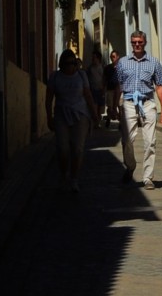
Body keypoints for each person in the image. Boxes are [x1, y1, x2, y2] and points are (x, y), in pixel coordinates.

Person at [114, 30, 162, 189]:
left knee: (150, 141)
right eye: (134, 42)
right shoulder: (123, 63)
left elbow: (159, 87)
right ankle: (130, 166)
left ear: (145, 43)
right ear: (131, 43)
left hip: (147, 103)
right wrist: (114, 106)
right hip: (129, 103)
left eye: (140, 42)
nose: (137, 45)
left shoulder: (154, 62)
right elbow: (119, 86)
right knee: (127, 140)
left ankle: (148, 178)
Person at [45, 50, 97, 191]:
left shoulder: (81, 76)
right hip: (61, 115)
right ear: (62, 64)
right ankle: (63, 174)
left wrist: (94, 115)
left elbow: (88, 95)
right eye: (68, 63)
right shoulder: (55, 77)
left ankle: (74, 178)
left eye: (73, 63)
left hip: (80, 115)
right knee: (63, 148)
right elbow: (49, 99)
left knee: (78, 149)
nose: (71, 66)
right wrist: (49, 117)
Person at [87, 49, 105, 127]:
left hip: (100, 90)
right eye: (92, 57)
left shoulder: (102, 68)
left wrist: (104, 89)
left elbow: (104, 79)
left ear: (98, 59)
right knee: (94, 106)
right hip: (93, 90)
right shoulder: (90, 68)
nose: (92, 59)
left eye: (94, 57)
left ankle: (98, 121)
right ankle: (96, 123)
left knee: (100, 108)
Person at [103, 50, 120, 128]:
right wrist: (104, 89)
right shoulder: (107, 68)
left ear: (117, 57)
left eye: (113, 56)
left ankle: (121, 122)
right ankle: (109, 119)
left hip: (120, 90)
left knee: (120, 106)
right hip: (110, 89)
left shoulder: (121, 68)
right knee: (110, 106)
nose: (112, 58)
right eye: (111, 57)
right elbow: (104, 79)